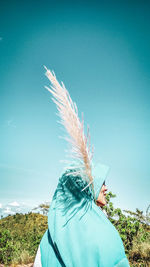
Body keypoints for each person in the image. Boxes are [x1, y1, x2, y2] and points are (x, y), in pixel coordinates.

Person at [33, 68, 130, 266]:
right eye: (101, 182)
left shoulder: (47, 242)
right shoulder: (106, 239)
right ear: (84, 188)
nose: (105, 187)